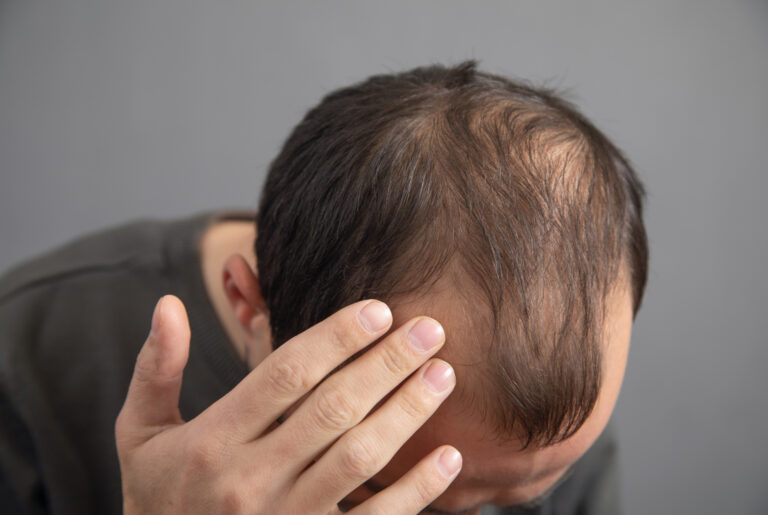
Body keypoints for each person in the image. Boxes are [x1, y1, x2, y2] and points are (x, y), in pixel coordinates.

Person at [0, 61, 648, 514]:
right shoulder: (26, 368)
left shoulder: (551, 411)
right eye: (382, 485)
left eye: (524, 493)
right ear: (251, 306)